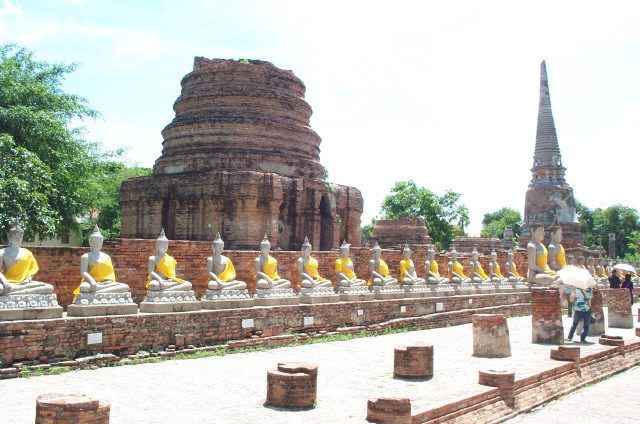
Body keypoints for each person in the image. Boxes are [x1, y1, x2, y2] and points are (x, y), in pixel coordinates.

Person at [0, 220, 54, 295]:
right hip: (9, 282)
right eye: (15, 237)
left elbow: (32, 269)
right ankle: (18, 292)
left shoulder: (27, 253)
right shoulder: (2, 252)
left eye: (20, 237)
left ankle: (16, 292)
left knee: (49, 287)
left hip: (25, 284)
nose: (18, 239)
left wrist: (28, 279)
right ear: (9, 237)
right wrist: (5, 282)